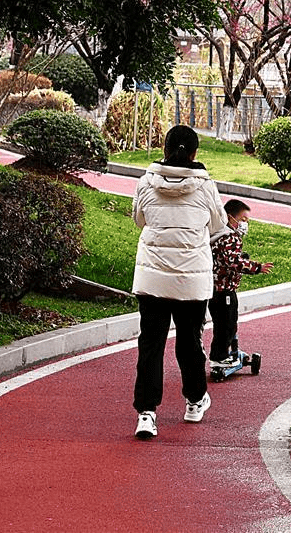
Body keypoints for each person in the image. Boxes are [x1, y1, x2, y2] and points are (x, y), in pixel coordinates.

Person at [130, 124, 227, 440]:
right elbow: (218, 224)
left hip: (153, 277)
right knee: (189, 342)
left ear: (164, 150)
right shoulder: (205, 187)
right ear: (195, 152)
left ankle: (146, 414)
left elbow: (139, 219)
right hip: (191, 279)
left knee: (151, 343)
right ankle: (195, 400)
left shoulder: (146, 182)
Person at [207, 199, 272, 366]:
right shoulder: (230, 237)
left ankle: (224, 353)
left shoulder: (218, 236)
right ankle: (219, 357)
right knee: (226, 325)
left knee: (225, 323)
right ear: (230, 218)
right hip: (224, 289)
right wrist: (257, 267)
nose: (245, 224)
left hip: (216, 288)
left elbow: (225, 258)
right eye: (243, 220)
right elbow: (232, 261)